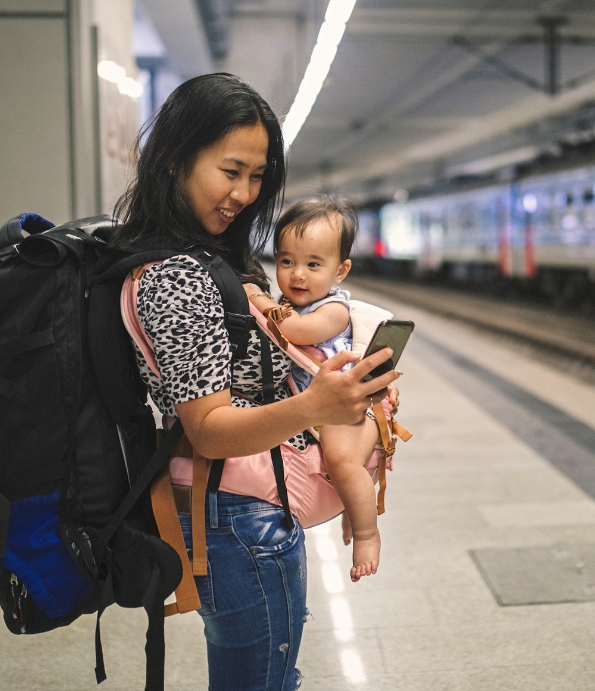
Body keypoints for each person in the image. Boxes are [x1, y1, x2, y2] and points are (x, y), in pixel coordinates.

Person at [111, 73, 397, 691]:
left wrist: (345, 396)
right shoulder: (176, 276)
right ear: (176, 159)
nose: (244, 193)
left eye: (257, 176)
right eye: (230, 170)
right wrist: (319, 402)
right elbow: (209, 429)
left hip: (244, 506)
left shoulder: (211, 258)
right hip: (232, 513)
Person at [245, 196, 384, 582]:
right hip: (326, 408)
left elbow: (294, 332)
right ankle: (352, 512)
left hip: (350, 408)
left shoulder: (334, 310)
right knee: (332, 467)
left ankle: (367, 534)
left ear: (341, 271)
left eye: (313, 264)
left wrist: (254, 298)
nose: (297, 275)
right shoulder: (288, 303)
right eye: (286, 261)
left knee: (341, 461)